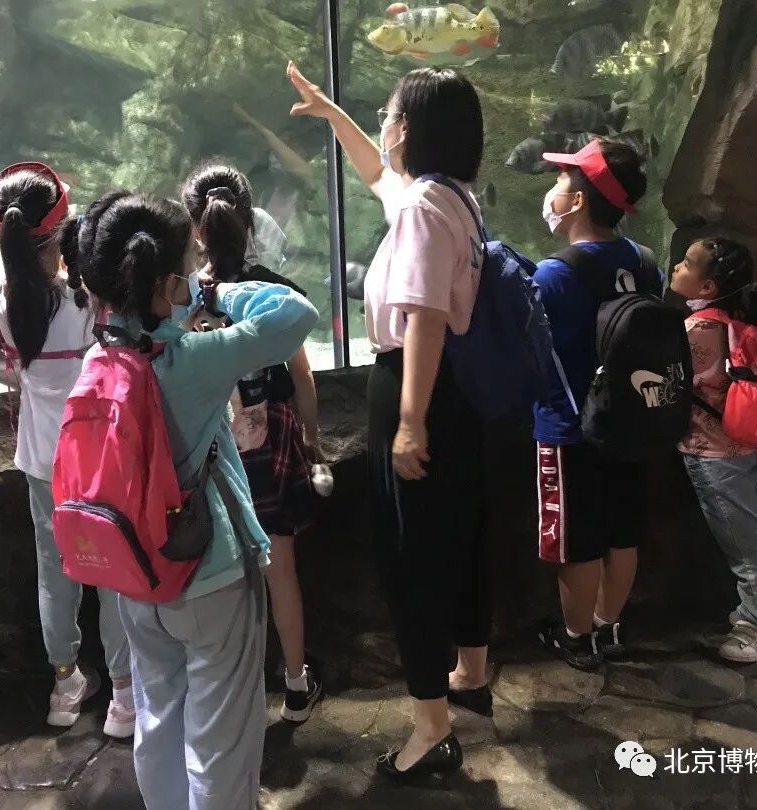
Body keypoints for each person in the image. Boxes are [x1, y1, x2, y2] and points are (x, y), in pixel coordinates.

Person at [66, 191, 317, 809]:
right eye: (185, 270)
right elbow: (295, 313)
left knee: (158, 720)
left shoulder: (100, 358)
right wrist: (214, 291)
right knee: (221, 743)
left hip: (136, 575)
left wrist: (175, 292)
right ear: (165, 283)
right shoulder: (191, 361)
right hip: (209, 577)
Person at [286, 61, 492, 782]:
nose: (381, 125)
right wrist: (332, 112)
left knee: (414, 556)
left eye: (386, 114)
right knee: (460, 537)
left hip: (416, 384)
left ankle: (431, 728)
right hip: (453, 390)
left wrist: (409, 422)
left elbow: (425, 317)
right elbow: (376, 172)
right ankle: (471, 671)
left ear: (409, 127)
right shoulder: (452, 197)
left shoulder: (424, 210)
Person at [0, 164, 135, 737]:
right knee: (115, 571)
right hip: (99, 453)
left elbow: (13, 264)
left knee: (56, 571)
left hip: (41, 456)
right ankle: (124, 695)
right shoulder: (84, 298)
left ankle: (64, 685)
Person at [182, 161, 324, 725]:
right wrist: (312, 439)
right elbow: (303, 377)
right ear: (249, 222)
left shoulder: (185, 296)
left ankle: (231, 694)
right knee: (279, 566)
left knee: (223, 572)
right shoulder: (271, 290)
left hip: (211, 439)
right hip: (273, 438)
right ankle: (296, 685)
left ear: (196, 230)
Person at [531, 139, 661, 671]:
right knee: (622, 531)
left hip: (570, 429)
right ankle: (610, 627)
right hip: (633, 422)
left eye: (562, 182)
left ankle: (576, 638)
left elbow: (531, 352)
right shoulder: (644, 262)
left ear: (580, 201)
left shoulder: (554, 274)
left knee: (577, 542)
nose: (553, 191)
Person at [670, 237, 757, 663]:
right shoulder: (737, 325)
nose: (676, 267)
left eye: (686, 263)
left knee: (746, 542)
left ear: (707, 287)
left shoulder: (697, 330)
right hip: (746, 444)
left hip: (711, 452)